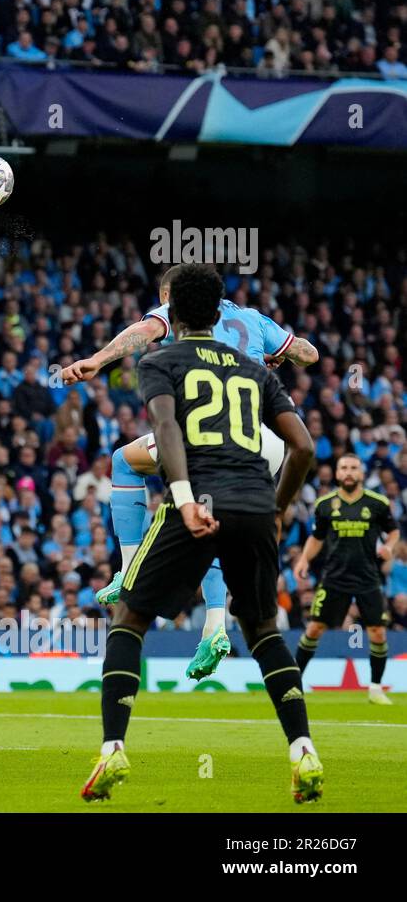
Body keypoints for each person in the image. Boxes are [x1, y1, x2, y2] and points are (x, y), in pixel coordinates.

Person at [81, 263, 323, 804]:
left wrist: (186, 501)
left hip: (200, 493)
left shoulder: (161, 358)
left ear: (169, 310)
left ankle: (113, 749)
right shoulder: (254, 367)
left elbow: (167, 429)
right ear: (219, 312)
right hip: (258, 497)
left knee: (130, 618)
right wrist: (279, 509)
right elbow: (305, 448)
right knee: (263, 628)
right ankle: (303, 748)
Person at [293, 454, 399, 704]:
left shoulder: (377, 503)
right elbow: (317, 537)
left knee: (377, 633)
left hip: (367, 577)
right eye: (344, 468)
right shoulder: (325, 504)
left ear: (361, 473)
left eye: (353, 468)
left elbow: (393, 531)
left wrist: (390, 547)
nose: (349, 472)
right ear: (337, 474)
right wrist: (304, 560)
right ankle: (294, 684)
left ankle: (375, 688)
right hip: (334, 578)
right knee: (314, 628)